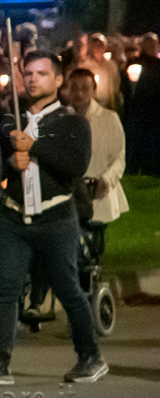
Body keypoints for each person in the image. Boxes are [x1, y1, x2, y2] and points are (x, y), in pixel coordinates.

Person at [0, 51, 105, 386]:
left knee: (68, 288)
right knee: (4, 289)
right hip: (13, 218)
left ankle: (90, 356)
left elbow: (75, 164)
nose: (33, 79)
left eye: (42, 73)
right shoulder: (11, 119)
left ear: (58, 80)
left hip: (56, 218)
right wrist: (10, 163)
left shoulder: (72, 122)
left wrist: (33, 146)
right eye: (29, 73)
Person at [66, 65, 129, 279]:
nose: (79, 93)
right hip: (69, 194)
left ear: (94, 90)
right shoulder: (61, 120)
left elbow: (119, 157)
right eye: (74, 88)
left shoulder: (109, 118)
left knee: (91, 247)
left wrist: (107, 180)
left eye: (85, 88)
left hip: (97, 193)